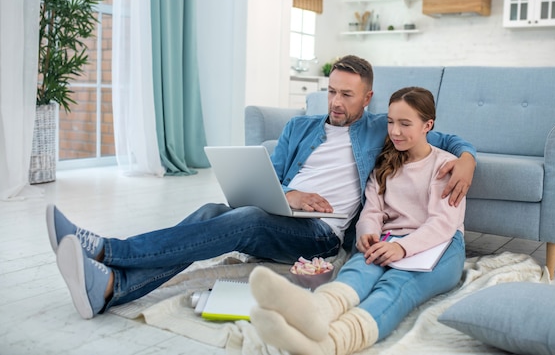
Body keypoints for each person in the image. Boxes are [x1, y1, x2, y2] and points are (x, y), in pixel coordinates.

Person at [47, 55, 476, 320]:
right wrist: (288, 196)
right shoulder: (299, 127)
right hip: (284, 216)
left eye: (347, 95)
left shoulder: (383, 128)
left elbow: (443, 139)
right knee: (213, 213)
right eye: (331, 92)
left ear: (368, 98)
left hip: (321, 235)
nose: (336, 103)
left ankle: (107, 249)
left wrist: (467, 161)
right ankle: (111, 288)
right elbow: (266, 177)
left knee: (246, 220)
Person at [248, 86, 467, 355]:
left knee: (395, 286)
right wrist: (367, 232)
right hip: (390, 239)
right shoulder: (385, 164)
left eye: (405, 124)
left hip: (440, 244)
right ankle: (317, 311)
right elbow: (372, 211)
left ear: (427, 125)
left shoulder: (445, 165)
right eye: (390, 122)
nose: (395, 131)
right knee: (357, 270)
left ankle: (333, 343)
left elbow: (442, 224)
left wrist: (402, 248)